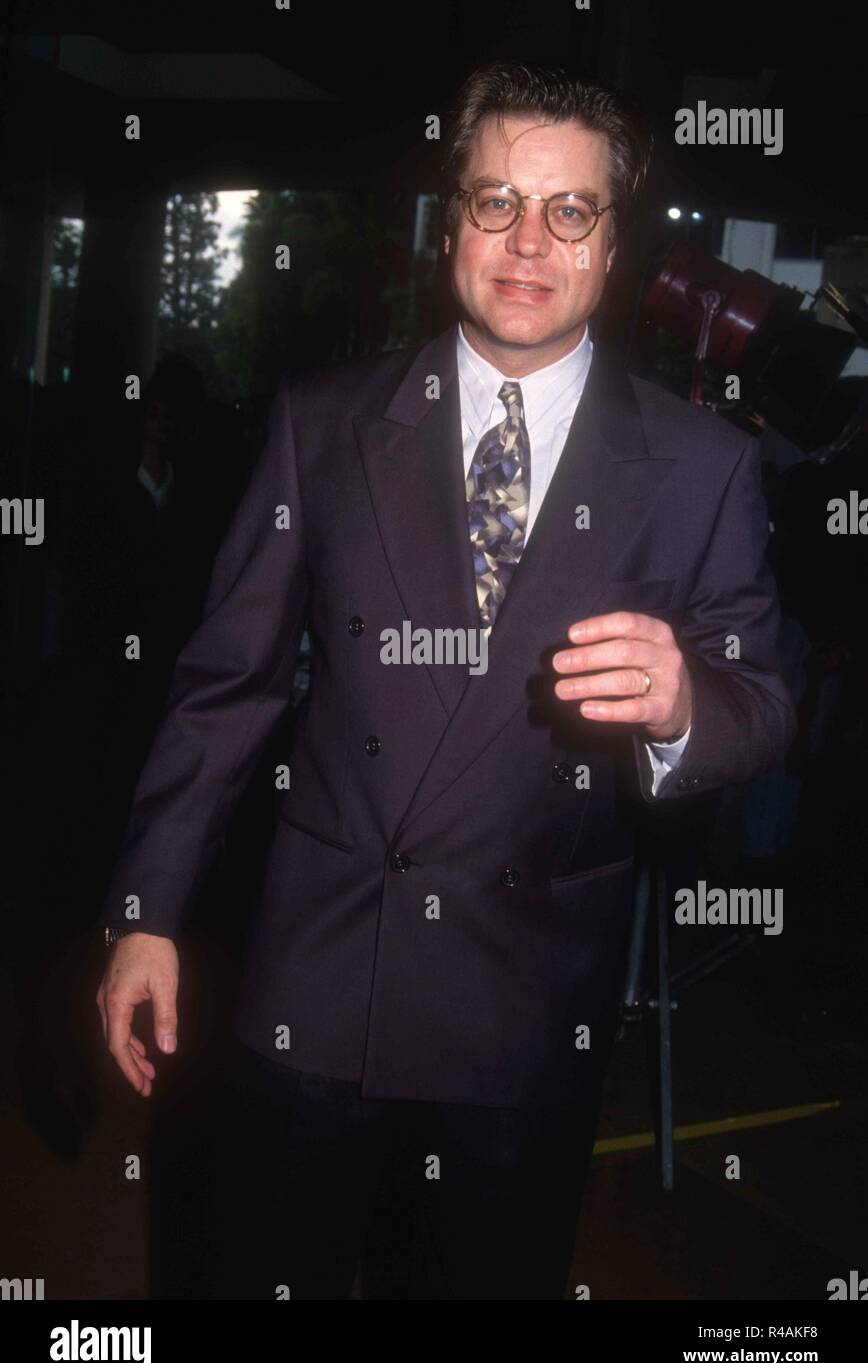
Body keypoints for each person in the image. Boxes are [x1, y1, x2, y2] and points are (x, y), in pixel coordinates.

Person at [94, 60, 797, 1299]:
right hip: (313, 983)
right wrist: (147, 910)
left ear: (612, 238)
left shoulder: (701, 466)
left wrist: (686, 705)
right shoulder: (325, 423)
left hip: (523, 1011)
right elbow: (225, 684)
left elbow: (762, 705)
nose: (528, 241)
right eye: (494, 203)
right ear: (450, 224)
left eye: (569, 210)